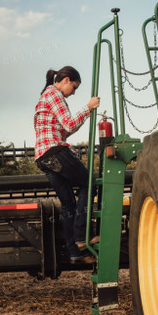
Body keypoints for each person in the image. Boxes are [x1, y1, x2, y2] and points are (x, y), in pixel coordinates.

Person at [34, 65, 100, 264]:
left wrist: (85, 114)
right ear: (66, 80)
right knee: (90, 183)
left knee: (68, 203)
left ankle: (75, 251)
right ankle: (82, 237)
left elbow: (65, 130)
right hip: (55, 152)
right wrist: (88, 108)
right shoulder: (55, 95)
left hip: (43, 157)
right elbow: (69, 124)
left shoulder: (45, 96)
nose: (74, 92)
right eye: (75, 87)